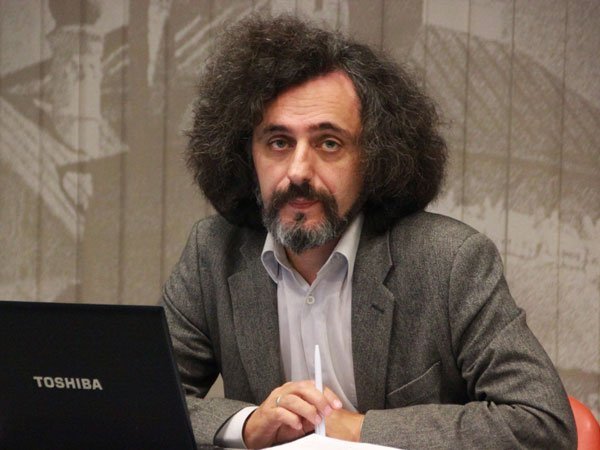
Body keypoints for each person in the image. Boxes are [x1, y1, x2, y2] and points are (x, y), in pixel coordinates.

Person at [161, 14, 576, 449]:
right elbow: (139, 401)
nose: (299, 171)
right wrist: (246, 425)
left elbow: (542, 424)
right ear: (247, 154)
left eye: (329, 143)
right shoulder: (213, 251)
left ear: (375, 157)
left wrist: (355, 429)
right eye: (279, 142)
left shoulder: (450, 261)